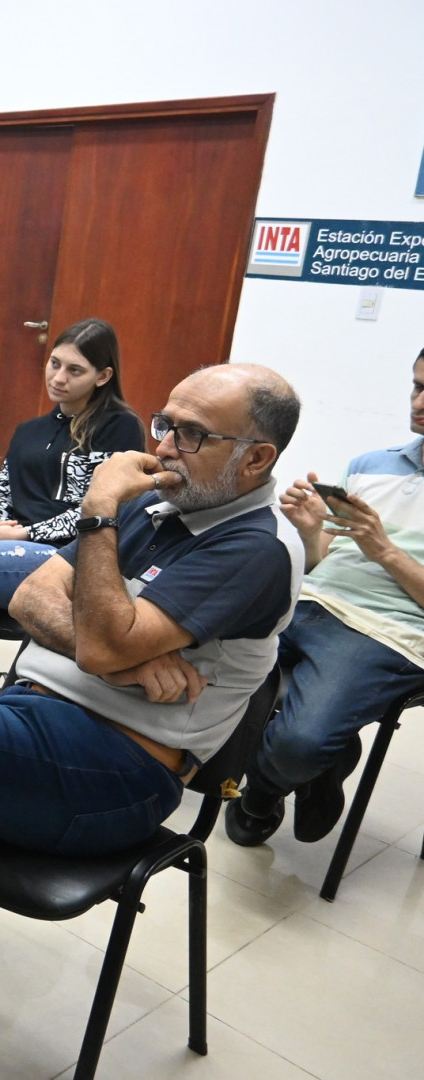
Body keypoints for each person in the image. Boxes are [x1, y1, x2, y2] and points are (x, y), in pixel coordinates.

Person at [0, 365, 303, 856]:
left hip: (113, 773)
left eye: (193, 434)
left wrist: (98, 507)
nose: (165, 448)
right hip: (31, 725)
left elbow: (101, 647)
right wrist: (124, 663)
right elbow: (31, 597)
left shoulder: (257, 547)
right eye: (167, 424)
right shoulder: (160, 501)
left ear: (256, 459)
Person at [227, 348, 424, 848]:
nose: (418, 403)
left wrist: (384, 551)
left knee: (299, 743)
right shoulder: (373, 465)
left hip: (384, 631)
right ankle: (325, 762)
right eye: (417, 386)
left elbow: (376, 553)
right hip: (308, 600)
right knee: (194, 654)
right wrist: (310, 531)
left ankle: (261, 795)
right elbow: (318, 561)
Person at [0, 319, 144, 694]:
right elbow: (2, 491)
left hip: (66, 561)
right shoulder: (29, 430)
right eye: (55, 363)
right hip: (13, 552)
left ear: (103, 376)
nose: (59, 377)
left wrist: (26, 532)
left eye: (75, 370)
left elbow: (99, 512)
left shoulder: (119, 428)